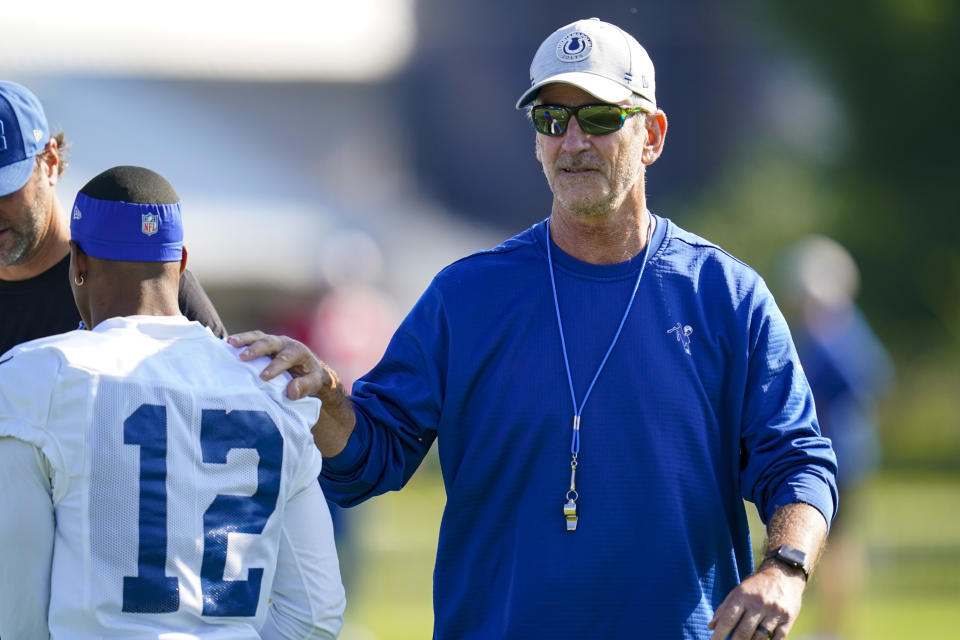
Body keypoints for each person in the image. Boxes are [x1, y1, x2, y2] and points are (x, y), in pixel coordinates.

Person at [232, 18, 838, 639]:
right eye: (552, 120)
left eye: (599, 117)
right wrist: (328, 394)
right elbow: (370, 458)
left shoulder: (725, 295)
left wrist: (785, 568)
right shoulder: (465, 297)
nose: (572, 140)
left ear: (651, 135)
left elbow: (798, 460)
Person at [0, 166, 345, 639]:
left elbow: (14, 610)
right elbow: (314, 615)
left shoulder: (36, 376)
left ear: (77, 262)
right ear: (181, 262)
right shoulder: (270, 384)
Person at [0, 80, 226, 356]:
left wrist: (288, 371)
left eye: (4, 189)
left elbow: (229, 382)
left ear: (49, 162)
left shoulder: (136, 271)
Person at [778, 236, 894, 640]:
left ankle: (832, 628)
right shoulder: (833, 325)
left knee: (836, 544)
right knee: (836, 544)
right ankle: (830, 626)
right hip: (838, 453)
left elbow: (864, 381)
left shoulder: (834, 328)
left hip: (841, 455)